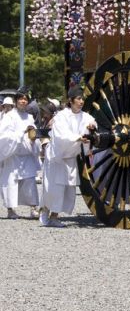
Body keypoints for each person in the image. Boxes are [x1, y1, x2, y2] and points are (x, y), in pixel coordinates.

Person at [40, 86, 96, 227]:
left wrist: (92, 127)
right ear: (71, 101)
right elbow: (61, 135)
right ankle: (45, 209)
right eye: (78, 99)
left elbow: (93, 124)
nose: (81, 101)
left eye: (82, 98)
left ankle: (54, 216)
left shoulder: (85, 116)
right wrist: (78, 138)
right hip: (56, 157)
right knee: (53, 188)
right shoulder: (61, 116)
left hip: (70, 157)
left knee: (65, 188)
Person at [0, 87, 41, 219]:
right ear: (16, 101)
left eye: (25, 99)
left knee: (30, 181)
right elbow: (4, 136)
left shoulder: (29, 117)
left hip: (27, 153)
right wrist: (21, 132)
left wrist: (33, 137)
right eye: (21, 99)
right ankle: (10, 210)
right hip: (13, 154)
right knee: (11, 182)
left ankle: (33, 207)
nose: (23, 101)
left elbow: (33, 134)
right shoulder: (9, 116)